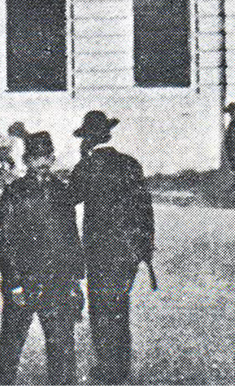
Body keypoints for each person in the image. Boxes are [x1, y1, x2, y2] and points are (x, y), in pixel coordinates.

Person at [0, 130, 85, 385]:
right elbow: (4, 242)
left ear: (53, 158)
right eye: (35, 158)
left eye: (46, 157)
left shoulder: (61, 192)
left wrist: (76, 280)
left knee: (63, 350)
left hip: (58, 282)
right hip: (24, 281)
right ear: (26, 161)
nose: (42, 162)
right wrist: (14, 283)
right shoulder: (14, 193)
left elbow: (70, 236)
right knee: (11, 345)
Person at [69, 111, 155, 385]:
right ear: (108, 135)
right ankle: (122, 367)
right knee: (120, 304)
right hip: (128, 250)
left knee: (100, 308)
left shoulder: (87, 166)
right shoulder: (130, 164)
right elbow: (144, 207)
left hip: (99, 249)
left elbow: (70, 198)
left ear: (88, 140)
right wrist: (145, 246)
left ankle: (108, 367)